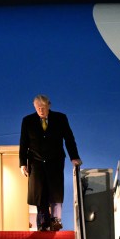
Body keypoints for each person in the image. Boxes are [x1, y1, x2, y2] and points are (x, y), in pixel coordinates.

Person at [19, 94, 82, 232]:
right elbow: (23, 143)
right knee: (39, 193)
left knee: (55, 191)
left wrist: (74, 157)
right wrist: (23, 163)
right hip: (36, 162)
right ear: (34, 107)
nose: (41, 110)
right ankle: (43, 222)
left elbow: (69, 139)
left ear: (49, 105)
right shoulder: (27, 121)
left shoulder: (60, 118)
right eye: (38, 108)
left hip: (55, 160)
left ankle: (56, 220)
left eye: (43, 107)